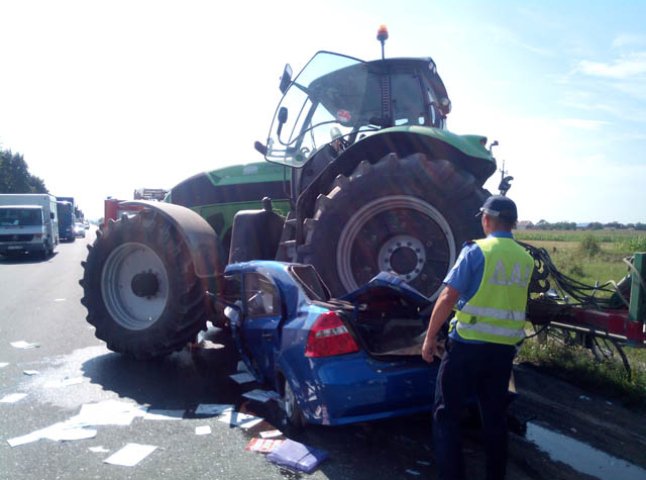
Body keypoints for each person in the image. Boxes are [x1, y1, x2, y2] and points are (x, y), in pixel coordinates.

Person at [421, 195, 534, 480]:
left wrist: (430, 336)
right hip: (503, 352)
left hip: (467, 347)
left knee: (446, 415)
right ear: (513, 223)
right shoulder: (525, 258)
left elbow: (448, 297)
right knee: (494, 418)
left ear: (487, 219)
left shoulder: (477, 251)